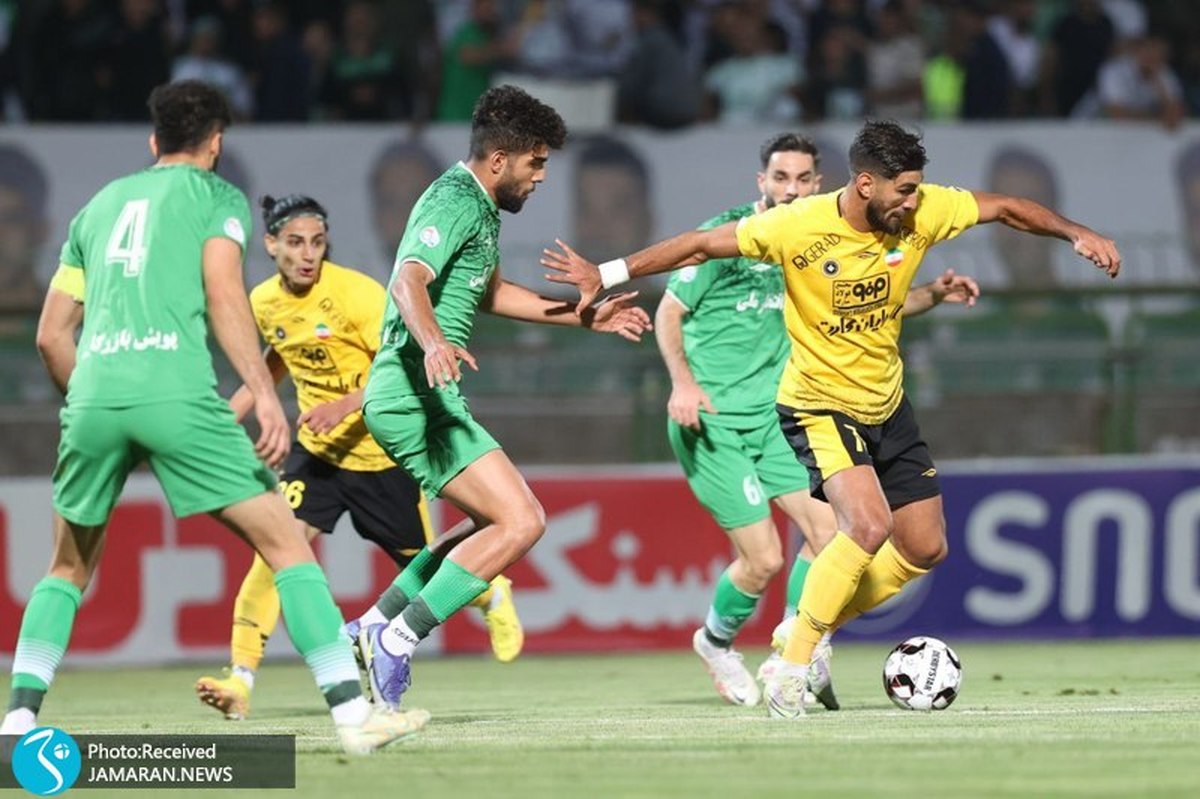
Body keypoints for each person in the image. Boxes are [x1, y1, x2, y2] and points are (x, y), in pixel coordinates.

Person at [543, 119, 1120, 718]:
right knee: (863, 528)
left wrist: (1075, 232)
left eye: (917, 189)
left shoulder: (922, 211)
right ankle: (791, 668)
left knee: (925, 548)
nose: (914, 201)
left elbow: (1004, 208)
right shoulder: (798, 226)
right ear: (866, 184)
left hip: (886, 404)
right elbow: (699, 245)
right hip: (818, 404)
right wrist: (607, 273)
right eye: (904, 190)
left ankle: (804, 632)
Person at [0, 81, 426, 753]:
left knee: (67, 569)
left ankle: (17, 721)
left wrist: (95, 402)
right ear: (217, 143)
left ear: (154, 141)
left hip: (93, 398)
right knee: (287, 547)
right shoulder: (216, 199)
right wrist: (262, 390)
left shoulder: (97, 208)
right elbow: (226, 294)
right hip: (176, 395)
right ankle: (353, 718)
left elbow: (51, 337)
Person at [659, 132, 980, 709]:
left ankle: (801, 647)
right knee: (764, 559)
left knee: (834, 535)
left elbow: (874, 302)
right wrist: (682, 381)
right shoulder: (739, 234)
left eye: (803, 178)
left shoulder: (818, 233)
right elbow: (669, 310)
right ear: (761, 181)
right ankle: (716, 643)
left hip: (777, 415)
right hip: (713, 419)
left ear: (818, 181)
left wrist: (932, 292)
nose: (792, 188)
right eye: (780, 177)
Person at [355, 85, 651, 710]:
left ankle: (374, 624)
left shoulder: (479, 207)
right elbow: (408, 278)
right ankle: (397, 639)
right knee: (523, 521)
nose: (541, 177)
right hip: (411, 392)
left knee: (495, 521)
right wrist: (433, 342)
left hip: (426, 395)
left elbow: (492, 295)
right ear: (499, 160)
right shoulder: (453, 199)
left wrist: (585, 316)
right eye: (535, 163)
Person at [193, 194, 525, 722]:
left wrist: (342, 407)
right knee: (276, 551)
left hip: (378, 455)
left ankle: (490, 593)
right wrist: (231, 414)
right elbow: (280, 354)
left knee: (423, 562)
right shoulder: (263, 302)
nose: (308, 255)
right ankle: (241, 677)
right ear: (271, 245)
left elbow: (397, 365)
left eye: (317, 243)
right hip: (318, 458)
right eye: (296, 243)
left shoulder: (357, 295)